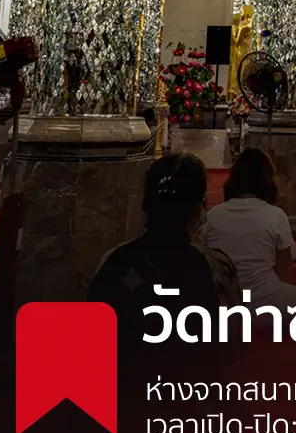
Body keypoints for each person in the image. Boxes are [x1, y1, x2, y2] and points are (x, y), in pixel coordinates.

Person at [89, 154, 240, 371]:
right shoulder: (217, 266)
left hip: (123, 393)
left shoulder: (113, 260)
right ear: (200, 206)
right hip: (187, 394)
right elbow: (231, 343)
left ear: (145, 205)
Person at [201, 149, 296, 309]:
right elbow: (283, 269)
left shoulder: (213, 215)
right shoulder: (276, 215)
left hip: (225, 304)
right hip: (266, 302)